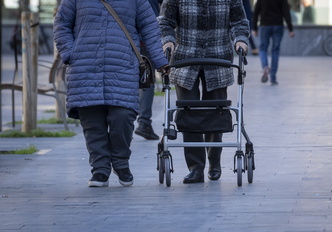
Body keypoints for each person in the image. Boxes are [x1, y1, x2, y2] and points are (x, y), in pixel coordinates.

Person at [53, 0, 169, 187]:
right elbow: (61, 24)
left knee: (123, 117)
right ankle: (100, 170)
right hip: (85, 67)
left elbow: (150, 27)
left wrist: (160, 61)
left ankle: (121, 162)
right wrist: (70, 52)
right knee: (92, 123)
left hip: (122, 67)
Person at [158, 0, 249, 183]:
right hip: (185, 59)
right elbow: (165, 22)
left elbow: (239, 21)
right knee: (189, 112)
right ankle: (195, 168)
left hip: (218, 58)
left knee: (216, 112)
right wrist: (168, 41)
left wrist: (240, 40)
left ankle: (214, 162)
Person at [134, 0, 162, 140]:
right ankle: (144, 122)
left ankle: (133, 121)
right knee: (146, 77)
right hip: (144, 37)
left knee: (133, 78)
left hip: (128, 38)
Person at [252, 0, 295, 85]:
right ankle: (273, 78)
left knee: (263, 48)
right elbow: (286, 13)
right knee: (275, 51)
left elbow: (256, 12)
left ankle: (265, 66)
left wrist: (255, 28)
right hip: (278, 25)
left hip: (265, 26)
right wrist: (290, 29)